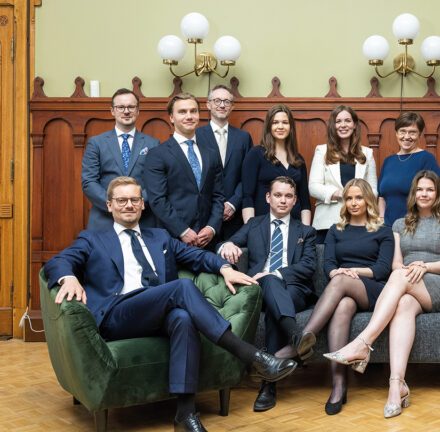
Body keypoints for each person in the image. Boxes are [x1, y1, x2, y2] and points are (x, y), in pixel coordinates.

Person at [43, 176, 297, 432]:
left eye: (134, 200)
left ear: (143, 204)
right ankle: (252, 356)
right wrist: (69, 277)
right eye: (122, 201)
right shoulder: (92, 239)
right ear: (110, 205)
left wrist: (224, 267)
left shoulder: (160, 237)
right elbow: (57, 262)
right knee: (183, 287)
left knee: (183, 319)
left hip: (158, 314)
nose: (128, 205)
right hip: (117, 314)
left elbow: (196, 255)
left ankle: (185, 416)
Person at [325, 170, 440, 418]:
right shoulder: (399, 223)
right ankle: (396, 386)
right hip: (409, 284)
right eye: (420, 189)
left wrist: (423, 266)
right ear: (413, 193)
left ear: (438, 193)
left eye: (430, 189)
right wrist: (408, 270)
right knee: (403, 306)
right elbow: (396, 264)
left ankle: (363, 343)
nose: (424, 194)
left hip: (439, 285)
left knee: (400, 278)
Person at [218, 176, 317, 413]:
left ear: (295, 201)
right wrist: (227, 246)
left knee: (273, 288)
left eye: (288, 196)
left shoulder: (306, 231)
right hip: (257, 289)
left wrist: (276, 274)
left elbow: (308, 266)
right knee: (271, 291)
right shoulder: (253, 225)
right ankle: (294, 339)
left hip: (294, 289)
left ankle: (268, 385)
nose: (283, 200)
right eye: (278, 195)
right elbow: (225, 244)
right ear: (268, 198)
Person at [298, 178, 393, 415]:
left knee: (340, 280)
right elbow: (328, 265)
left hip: (372, 289)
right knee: (342, 306)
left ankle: (301, 340)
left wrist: (351, 273)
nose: (353, 202)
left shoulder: (383, 230)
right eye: (349, 198)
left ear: (368, 199)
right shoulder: (336, 229)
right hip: (344, 291)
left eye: (359, 197)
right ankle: (339, 385)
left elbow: (382, 270)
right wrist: (339, 273)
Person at [144, 92, 225, 250]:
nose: (189, 116)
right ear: (171, 118)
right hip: (173, 239)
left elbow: (218, 196)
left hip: (207, 240)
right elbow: (158, 200)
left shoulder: (211, 154)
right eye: (182, 112)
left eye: (193, 111)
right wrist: (182, 230)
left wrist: (211, 228)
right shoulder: (157, 154)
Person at [81, 88, 160, 231]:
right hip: (105, 220)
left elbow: (157, 183)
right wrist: (114, 204)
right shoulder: (96, 143)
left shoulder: (153, 144)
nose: (126, 111)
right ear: (112, 111)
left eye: (131, 107)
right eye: (121, 107)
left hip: (143, 220)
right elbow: (89, 182)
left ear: (137, 111)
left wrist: (137, 204)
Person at [309, 105, 378, 243]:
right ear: (333, 126)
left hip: (360, 223)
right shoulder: (322, 151)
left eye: (347, 121)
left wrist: (356, 199)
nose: (343, 125)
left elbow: (373, 191)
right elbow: (313, 187)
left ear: (354, 125)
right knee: (326, 263)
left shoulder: (367, 153)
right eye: (338, 121)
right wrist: (342, 193)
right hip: (326, 223)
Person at [197, 85, 254, 240]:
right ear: (208, 105)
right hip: (204, 216)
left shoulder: (243, 137)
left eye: (226, 101)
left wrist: (233, 203)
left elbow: (248, 176)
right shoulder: (196, 136)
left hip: (235, 217)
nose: (222, 105)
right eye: (217, 101)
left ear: (232, 106)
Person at [241, 104, 311, 225]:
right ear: (269, 126)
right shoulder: (256, 154)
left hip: (294, 228)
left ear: (290, 127)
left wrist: (305, 232)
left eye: (285, 122)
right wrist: (251, 230)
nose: (280, 126)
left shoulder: (298, 159)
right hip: (262, 227)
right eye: (275, 122)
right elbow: (247, 197)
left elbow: (305, 202)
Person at [377, 111, 440, 226]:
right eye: (402, 131)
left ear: (419, 134)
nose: (406, 137)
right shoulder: (389, 161)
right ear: (396, 133)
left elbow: (436, 195)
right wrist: (382, 218)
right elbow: (382, 196)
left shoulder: (426, 158)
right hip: (387, 228)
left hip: (414, 226)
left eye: (412, 132)